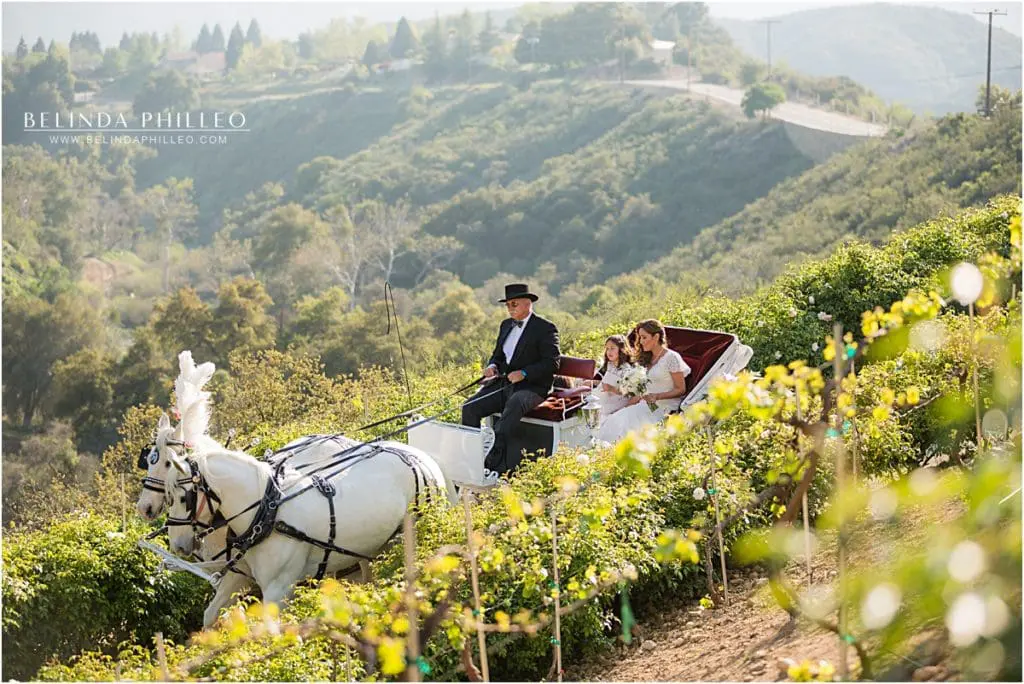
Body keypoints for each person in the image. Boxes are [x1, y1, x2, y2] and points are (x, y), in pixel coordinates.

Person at [461, 283, 560, 479]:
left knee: (514, 405)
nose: (509, 308)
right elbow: (497, 356)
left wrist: (524, 372)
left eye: (513, 304)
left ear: (527, 303)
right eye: (507, 305)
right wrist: (492, 367)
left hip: (532, 388)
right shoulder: (506, 325)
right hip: (503, 384)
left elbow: (552, 363)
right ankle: (470, 458)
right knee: (469, 407)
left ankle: (492, 464)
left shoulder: (545, 328)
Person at [597, 319, 690, 444]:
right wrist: (625, 407)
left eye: (644, 337)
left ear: (656, 337)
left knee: (625, 424)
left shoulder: (671, 358)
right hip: (646, 405)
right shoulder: (648, 358)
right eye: (640, 337)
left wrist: (657, 396)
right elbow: (641, 392)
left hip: (664, 407)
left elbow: (681, 389)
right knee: (616, 419)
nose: (640, 341)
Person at [594, 334, 635, 420]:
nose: (609, 352)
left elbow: (630, 393)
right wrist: (595, 382)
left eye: (612, 348)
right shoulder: (610, 365)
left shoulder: (626, 369)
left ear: (621, 349)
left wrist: (612, 389)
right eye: (607, 349)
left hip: (617, 402)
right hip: (605, 398)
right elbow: (606, 381)